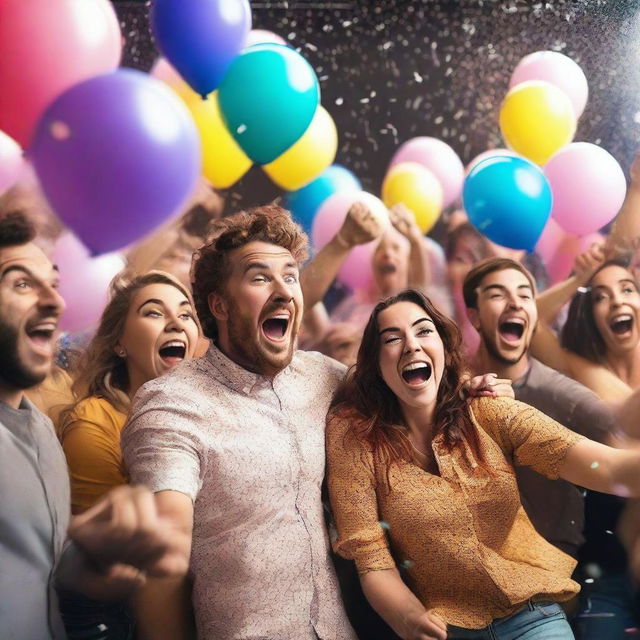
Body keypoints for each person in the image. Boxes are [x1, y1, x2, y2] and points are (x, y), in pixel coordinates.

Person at [326, 288, 640, 640]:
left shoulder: (487, 410)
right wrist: (408, 617)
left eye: (423, 330)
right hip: (445, 629)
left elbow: (607, 468)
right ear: (377, 363)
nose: (412, 345)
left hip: (531, 615)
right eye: (392, 338)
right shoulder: (354, 437)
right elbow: (371, 559)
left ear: (444, 349)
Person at [121, 205, 360, 640]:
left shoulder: (322, 376)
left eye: (289, 276)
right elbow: (161, 562)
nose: (284, 290)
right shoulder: (172, 405)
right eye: (259, 277)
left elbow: (408, 395)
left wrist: (475, 390)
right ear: (219, 305)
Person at [0, 211, 191, 640]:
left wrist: (92, 565)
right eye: (21, 283)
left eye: (53, 283)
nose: (56, 301)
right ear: (120, 343)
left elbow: (40, 566)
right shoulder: (87, 424)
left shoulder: (42, 433)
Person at [462, 257, 616, 557]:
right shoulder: (447, 387)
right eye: (497, 294)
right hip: (473, 564)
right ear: (474, 317)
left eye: (525, 295)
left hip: (552, 566)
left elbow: (621, 437)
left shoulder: (562, 395)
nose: (515, 304)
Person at [59, 271, 200, 514]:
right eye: (154, 313)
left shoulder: (211, 410)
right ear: (119, 343)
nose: (177, 323)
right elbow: (108, 539)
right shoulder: (92, 422)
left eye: (186, 314)